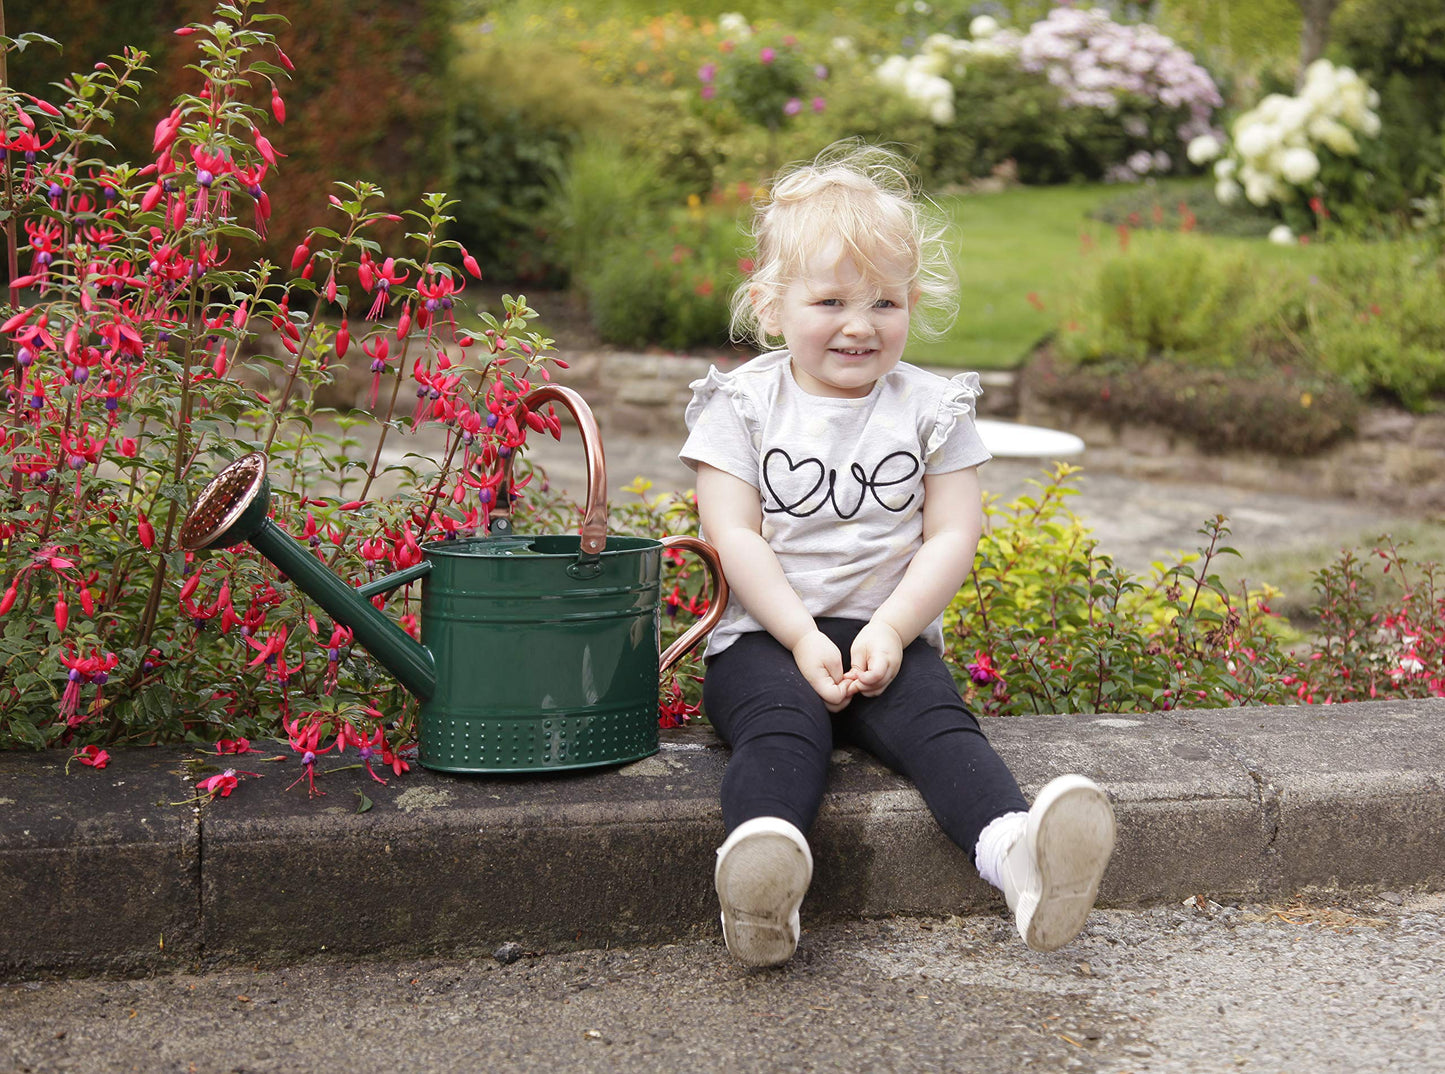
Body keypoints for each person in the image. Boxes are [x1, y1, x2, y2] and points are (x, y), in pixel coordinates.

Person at [679, 142, 1115, 967]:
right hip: (764, 638)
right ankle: (761, 880)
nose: (860, 324)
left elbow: (952, 531)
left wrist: (891, 627)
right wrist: (800, 635)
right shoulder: (741, 405)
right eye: (830, 300)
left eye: (884, 301)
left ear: (912, 301)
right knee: (780, 733)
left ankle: (1018, 859)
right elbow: (732, 535)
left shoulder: (930, 407)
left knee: (940, 729)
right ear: (770, 307)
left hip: (888, 632)